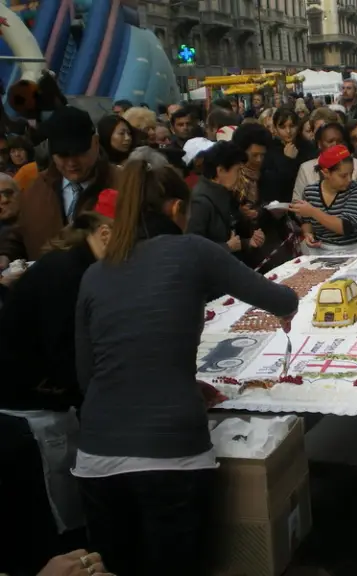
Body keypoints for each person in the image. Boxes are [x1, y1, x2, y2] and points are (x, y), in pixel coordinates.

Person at [74, 160, 298, 576]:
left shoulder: (94, 273)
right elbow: (281, 300)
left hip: (96, 455)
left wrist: (176, 378)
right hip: (170, 454)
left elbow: (90, 375)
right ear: (177, 208)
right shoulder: (191, 250)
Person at [0, 190, 117, 572]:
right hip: (29, 415)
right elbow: (68, 357)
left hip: (48, 403)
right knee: (59, 522)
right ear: (103, 233)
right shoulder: (67, 275)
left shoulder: (78, 268)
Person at [0, 107, 121, 265]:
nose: (71, 163)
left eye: (79, 152)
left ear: (96, 143)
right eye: (63, 154)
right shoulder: (38, 187)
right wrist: (6, 254)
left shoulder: (122, 185)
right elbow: (21, 232)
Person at [233, 123, 300, 271]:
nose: (258, 160)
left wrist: (263, 212)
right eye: (254, 155)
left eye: (262, 155)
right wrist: (242, 215)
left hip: (269, 244)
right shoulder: (231, 179)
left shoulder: (268, 175)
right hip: (242, 252)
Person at [188, 141, 260, 260]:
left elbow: (232, 235)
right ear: (220, 171)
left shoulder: (226, 193)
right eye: (237, 171)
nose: (240, 177)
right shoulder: (200, 202)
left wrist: (249, 241)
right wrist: (226, 247)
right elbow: (193, 249)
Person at [291, 144, 357, 255]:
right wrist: (308, 234)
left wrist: (313, 212)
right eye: (343, 176)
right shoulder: (310, 192)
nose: (349, 179)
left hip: (353, 250)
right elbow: (307, 222)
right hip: (321, 251)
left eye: (351, 173)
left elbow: (346, 227)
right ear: (326, 172)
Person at [293, 122, 357, 201]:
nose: (335, 145)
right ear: (320, 144)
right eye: (330, 141)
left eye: (340, 141)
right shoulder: (306, 168)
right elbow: (297, 203)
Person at [262, 108, 315, 205]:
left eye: (292, 126)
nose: (288, 131)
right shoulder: (269, 150)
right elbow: (271, 184)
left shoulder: (308, 147)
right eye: (282, 127)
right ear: (275, 128)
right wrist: (287, 160)